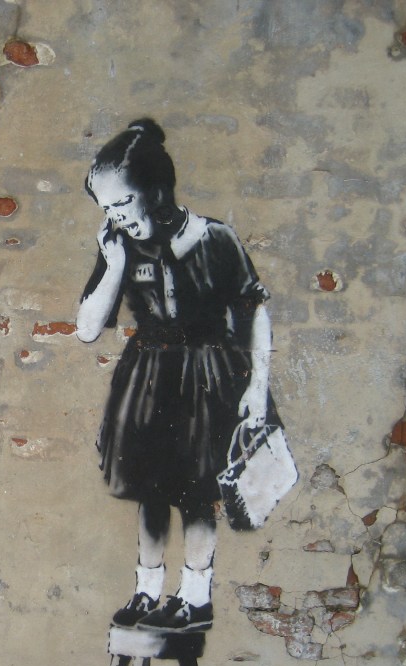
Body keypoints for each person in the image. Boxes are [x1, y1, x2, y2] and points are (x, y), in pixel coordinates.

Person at [76, 118, 281, 632]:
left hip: (208, 376)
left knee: (196, 494)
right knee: (150, 492)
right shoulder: (119, 245)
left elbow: (254, 310)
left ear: (157, 191)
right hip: (147, 380)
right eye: (106, 208)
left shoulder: (217, 238)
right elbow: (87, 329)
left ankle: (194, 596)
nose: (115, 217)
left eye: (123, 203)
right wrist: (114, 265)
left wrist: (257, 388)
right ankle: (147, 591)